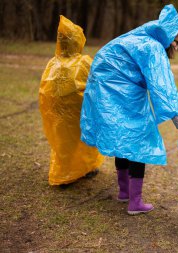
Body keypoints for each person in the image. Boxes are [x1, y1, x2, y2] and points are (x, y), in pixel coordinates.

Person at [80, 4, 178, 215]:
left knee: (123, 139)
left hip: (103, 89)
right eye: (176, 42)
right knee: (139, 142)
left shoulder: (138, 37)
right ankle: (135, 202)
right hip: (120, 91)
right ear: (167, 37)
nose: (176, 47)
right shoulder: (153, 48)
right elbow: (163, 86)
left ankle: (124, 193)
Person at [39, 15, 104, 186]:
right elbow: (97, 84)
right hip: (79, 112)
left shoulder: (52, 63)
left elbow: (44, 90)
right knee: (83, 140)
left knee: (64, 143)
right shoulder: (84, 62)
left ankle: (64, 173)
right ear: (78, 41)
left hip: (58, 113)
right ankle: (85, 168)